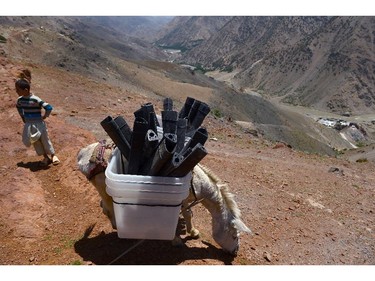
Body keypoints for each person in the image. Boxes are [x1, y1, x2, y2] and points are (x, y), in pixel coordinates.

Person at [15, 78, 60, 166]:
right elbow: (18, 107)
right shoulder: (20, 100)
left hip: (39, 123)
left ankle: (53, 155)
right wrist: (22, 117)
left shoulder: (35, 99)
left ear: (26, 90)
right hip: (29, 124)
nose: (16, 91)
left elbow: (48, 107)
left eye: (18, 90)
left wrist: (44, 116)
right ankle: (45, 157)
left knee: (45, 139)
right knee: (35, 141)